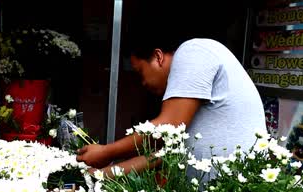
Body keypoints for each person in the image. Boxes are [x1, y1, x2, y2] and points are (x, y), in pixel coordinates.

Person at [76, 19, 267, 179]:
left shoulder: (193, 51)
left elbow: (167, 127)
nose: (142, 83)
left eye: (140, 72)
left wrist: (106, 152)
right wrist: (101, 176)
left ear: (158, 57)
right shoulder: (188, 102)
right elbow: (160, 155)